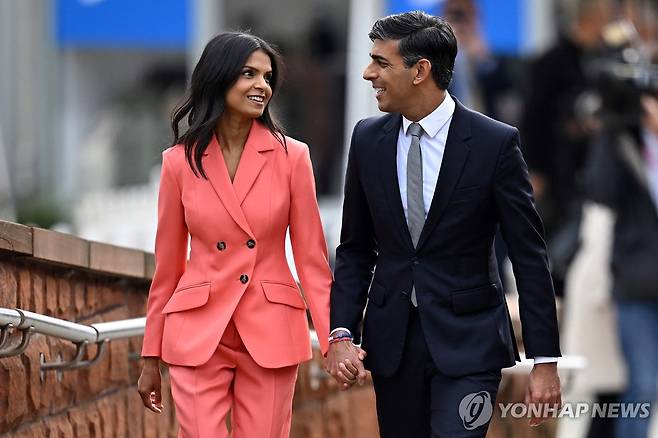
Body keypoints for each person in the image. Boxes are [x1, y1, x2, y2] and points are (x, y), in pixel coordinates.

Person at [326, 12, 562, 437]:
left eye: (381, 62)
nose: (368, 73)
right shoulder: (366, 140)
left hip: (471, 346)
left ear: (421, 71)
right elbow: (355, 249)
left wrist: (544, 361)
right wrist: (341, 331)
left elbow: (529, 255)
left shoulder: (495, 143)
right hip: (392, 345)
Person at [137, 32, 332, 438]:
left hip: (271, 329)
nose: (262, 85)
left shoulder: (293, 157)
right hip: (197, 330)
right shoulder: (178, 164)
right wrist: (150, 355)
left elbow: (312, 261)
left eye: (267, 76)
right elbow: (167, 268)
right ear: (218, 77)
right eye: (248, 73)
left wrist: (333, 339)